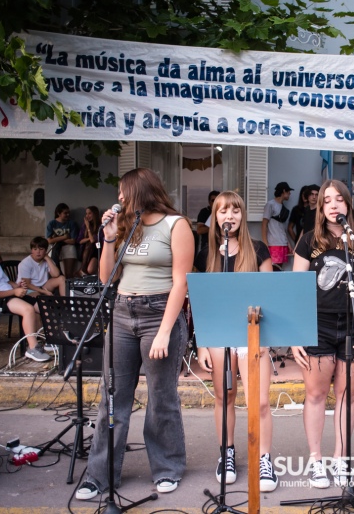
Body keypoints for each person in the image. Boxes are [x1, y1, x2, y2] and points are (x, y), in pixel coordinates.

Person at [76, 168, 193, 500]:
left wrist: (164, 331)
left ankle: (167, 467)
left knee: (161, 396)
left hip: (160, 313)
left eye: (123, 191)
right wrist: (109, 238)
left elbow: (181, 282)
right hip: (124, 313)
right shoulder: (127, 226)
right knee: (112, 397)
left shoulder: (176, 225)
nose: (119, 198)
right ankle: (100, 475)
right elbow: (105, 279)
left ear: (140, 190)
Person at [291, 179, 354, 489]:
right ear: (320, 208)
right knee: (316, 394)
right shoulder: (308, 241)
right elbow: (295, 290)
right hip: (317, 326)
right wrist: (295, 335)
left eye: (338, 200)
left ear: (347, 204)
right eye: (327, 200)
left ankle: (341, 457)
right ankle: (316, 460)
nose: (333, 205)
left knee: (348, 395)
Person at [194, 191, 278, 492]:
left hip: (253, 334)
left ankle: (264, 458)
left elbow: (271, 297)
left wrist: (267, 338)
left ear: (243, 216)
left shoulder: (258, 249)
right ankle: (226, 453)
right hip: (219, 334)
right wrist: (202, 344)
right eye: (223, 211)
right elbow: (201, 303)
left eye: (235, 211)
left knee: (261, 400)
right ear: (214, 217)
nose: (229, 216)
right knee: (224, 396)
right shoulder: (206, 254)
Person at [0, 240, 50, 362]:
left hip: (9, 294)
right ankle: (32, 348)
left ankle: (49, 340)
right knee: (28, 310)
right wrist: (13, 292)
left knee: (43, 306)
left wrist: (16, 286)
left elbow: (6, 281)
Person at [261, 182, 293, 270]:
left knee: (280, 269)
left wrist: (288, 243)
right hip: (273, 243)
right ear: (283, 191)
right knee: (273, 269)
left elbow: (282, 227)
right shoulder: (270, 204)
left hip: (282, 242)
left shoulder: (282, 206)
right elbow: (264, 224)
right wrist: (265, 244)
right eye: (288, 191)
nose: (290, 194)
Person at [46, 203, 79, 279]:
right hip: (55, 247)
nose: (67, 215)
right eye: (65, 213)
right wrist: (65, 237)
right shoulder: (52, 223)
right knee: (54, 271)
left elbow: (73, 241)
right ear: (59, 213)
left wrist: (57, 238)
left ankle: (69, 289)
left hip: (68, 247)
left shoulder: (71, 223)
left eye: (68, 213)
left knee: (69, 273)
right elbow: (49, 241)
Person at [76, 206, 101, 277]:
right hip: (85, 252)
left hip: (96, 251)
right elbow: (79, 241)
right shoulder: (84, 225)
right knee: (88, 243)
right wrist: (88, 238)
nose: (87, 216)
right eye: (86, 214)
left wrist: (88, 228)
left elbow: (93, 240)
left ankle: (83, 268)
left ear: (95, 214)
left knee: (90, 243)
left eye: (89, 213)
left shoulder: (100, 225)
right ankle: (83, 268)